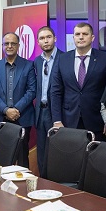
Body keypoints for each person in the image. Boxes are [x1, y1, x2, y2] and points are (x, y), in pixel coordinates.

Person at [51, 22, 106, 141]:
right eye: (77, 34)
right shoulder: (62, 59)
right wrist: (57, 120)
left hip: (97, 120)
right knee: (72, 152)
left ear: (92, 37)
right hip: (68, 120)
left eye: (85, 34)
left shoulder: (105, 58)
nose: (81, 37)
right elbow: (55, 91)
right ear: (73, 37)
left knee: (95, 152)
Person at [0, 32, 37, 167]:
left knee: (22, 157)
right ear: (2, 46)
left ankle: (23, 181)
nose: (9, 46)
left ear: (18, 45)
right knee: (1, 158)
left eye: (13, 43)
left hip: (22, 117)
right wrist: (6, 110)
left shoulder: (28, 65)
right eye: (6, 43)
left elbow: (32, 91)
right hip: (0, 118)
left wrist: (16, 109)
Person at [33, 26, 63, 175]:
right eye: (42, 38)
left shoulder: (64, 58)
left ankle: (55, 183)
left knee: (57, 152)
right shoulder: (37, 62)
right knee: (42, 152)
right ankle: (42, 181)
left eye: (48, 37)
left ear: (55, 39)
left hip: (56, 113)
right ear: (38, 42)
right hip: (40, 112)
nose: (45, 41)